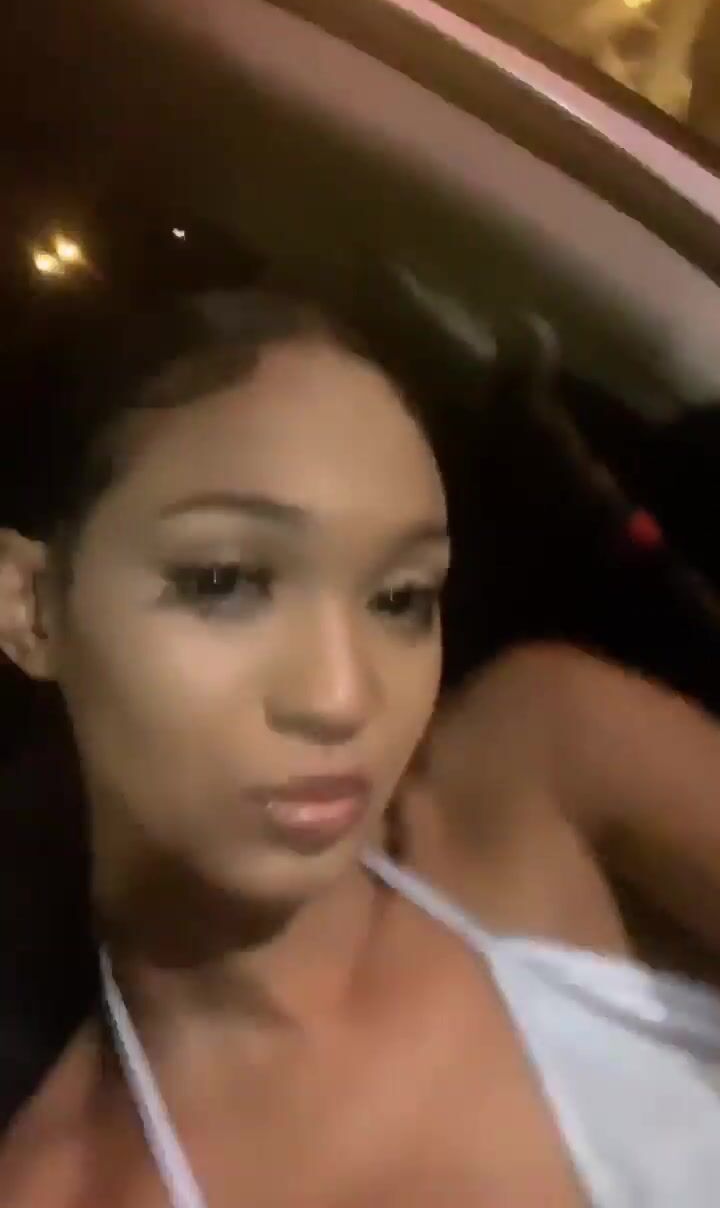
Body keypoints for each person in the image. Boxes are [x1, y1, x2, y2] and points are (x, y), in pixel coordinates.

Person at [2, 285, 720, 1207]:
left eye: (401, 598)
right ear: (31, 606)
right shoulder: (64, 1187)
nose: (342, 697)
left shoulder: (546, 773)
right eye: (224, 581)